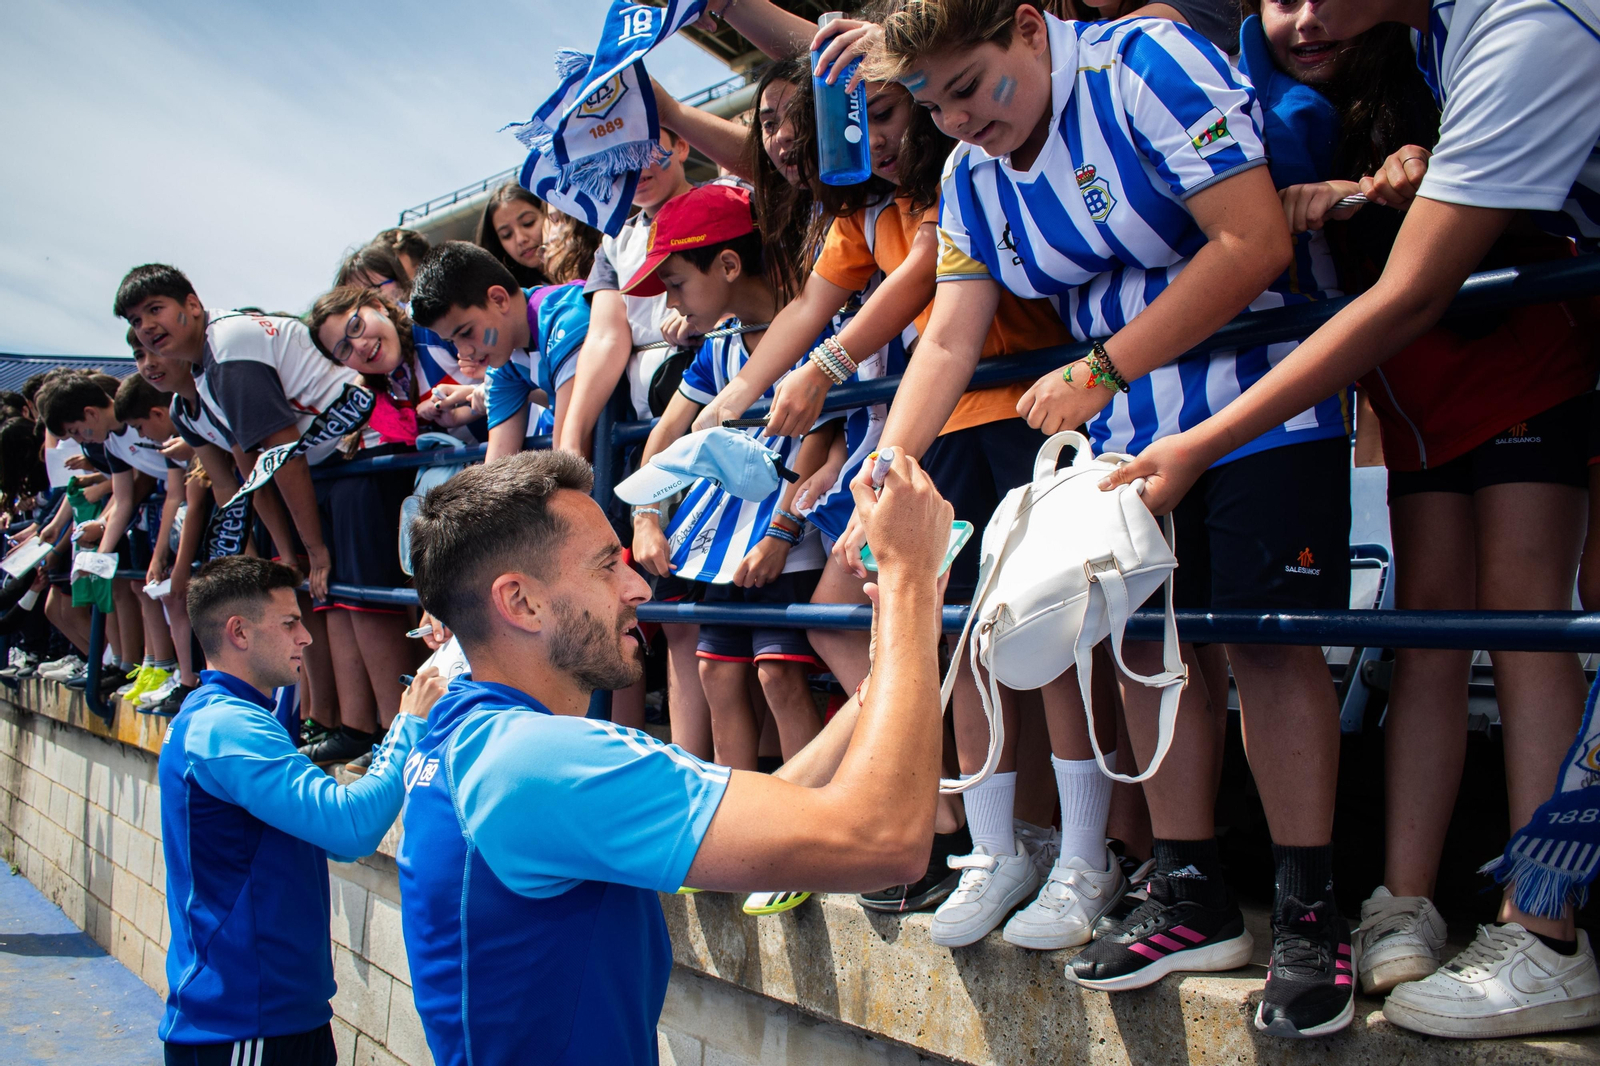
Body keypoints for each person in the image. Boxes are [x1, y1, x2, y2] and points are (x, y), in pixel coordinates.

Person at [1094, 0, 1600, 1038]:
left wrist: (1401, 171)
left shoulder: (1465, 49)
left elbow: (1421, 270)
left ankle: (1543, 922)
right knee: (1426, 635)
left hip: (1514, 356)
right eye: (1276, 0)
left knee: (1523, 622)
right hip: (1408, 393)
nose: (1306, 18)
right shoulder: (1399, 48)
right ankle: (1402, 899)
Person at [869, 0, 1362, 1036]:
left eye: (969, 87)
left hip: (1260, 401)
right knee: (1145, 648)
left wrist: (1101, 364)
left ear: (1029, 29)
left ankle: (1313, 909)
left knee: (1270, 647)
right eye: (931, 103)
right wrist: (888, 467)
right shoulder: (966, 177)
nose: (956, 120)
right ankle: (1189, 888)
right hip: (1125, 437)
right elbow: (950, 342)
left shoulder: (1144, 62)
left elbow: (1253, 238)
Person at [398, 446, 952, 1065]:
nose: (639, 587)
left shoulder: (477, 738)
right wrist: (906, 584)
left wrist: (881, 681)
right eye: (608, 567)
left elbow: (759, 813)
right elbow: (886, 843)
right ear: (521, 603)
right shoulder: (536, 761)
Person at [158, 556, 443, 1066]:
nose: (306, 637)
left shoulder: (230, 714)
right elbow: (350, 828)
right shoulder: (226, 728)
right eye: (289, 623)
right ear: (239, 633)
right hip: (245, 1023)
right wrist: (409, 724)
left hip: (273, 1015)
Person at [624, 185, 830, 786]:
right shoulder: (716, 348)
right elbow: (663, 436)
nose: (671, 304)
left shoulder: (818, 332)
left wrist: (782, 533)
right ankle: (738, 825)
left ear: (730, 265)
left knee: (779, 676)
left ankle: (807, 832)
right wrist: (646, 516)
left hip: (790, 535)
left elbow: (825, 440)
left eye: (677, 283)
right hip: (721, 541)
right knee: (716, 672)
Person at [36, 371, 181, 704]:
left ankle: (177, 670)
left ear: (90, 413)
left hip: (187, 496)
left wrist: (158, 551)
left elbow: (162, 485)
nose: (80, 438)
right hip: (165, 506)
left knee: (175, 590)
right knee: (141, 586)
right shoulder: (110, 442)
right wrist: (99, 554)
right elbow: (124, 498)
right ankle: (154, 665)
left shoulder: (140, 416)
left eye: (76, 431)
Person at [407, 241, 590, 459]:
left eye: (466, 333)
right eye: (451, 341)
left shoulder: (567, 318)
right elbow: (497, 469)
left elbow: (570, 458)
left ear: (498, 299)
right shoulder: (504, 361)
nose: (464, 352)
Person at [474, 182, 550, 288]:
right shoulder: (517, 299)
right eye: (507, 235)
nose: (520, 239)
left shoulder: (580, 262)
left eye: (528, 223)